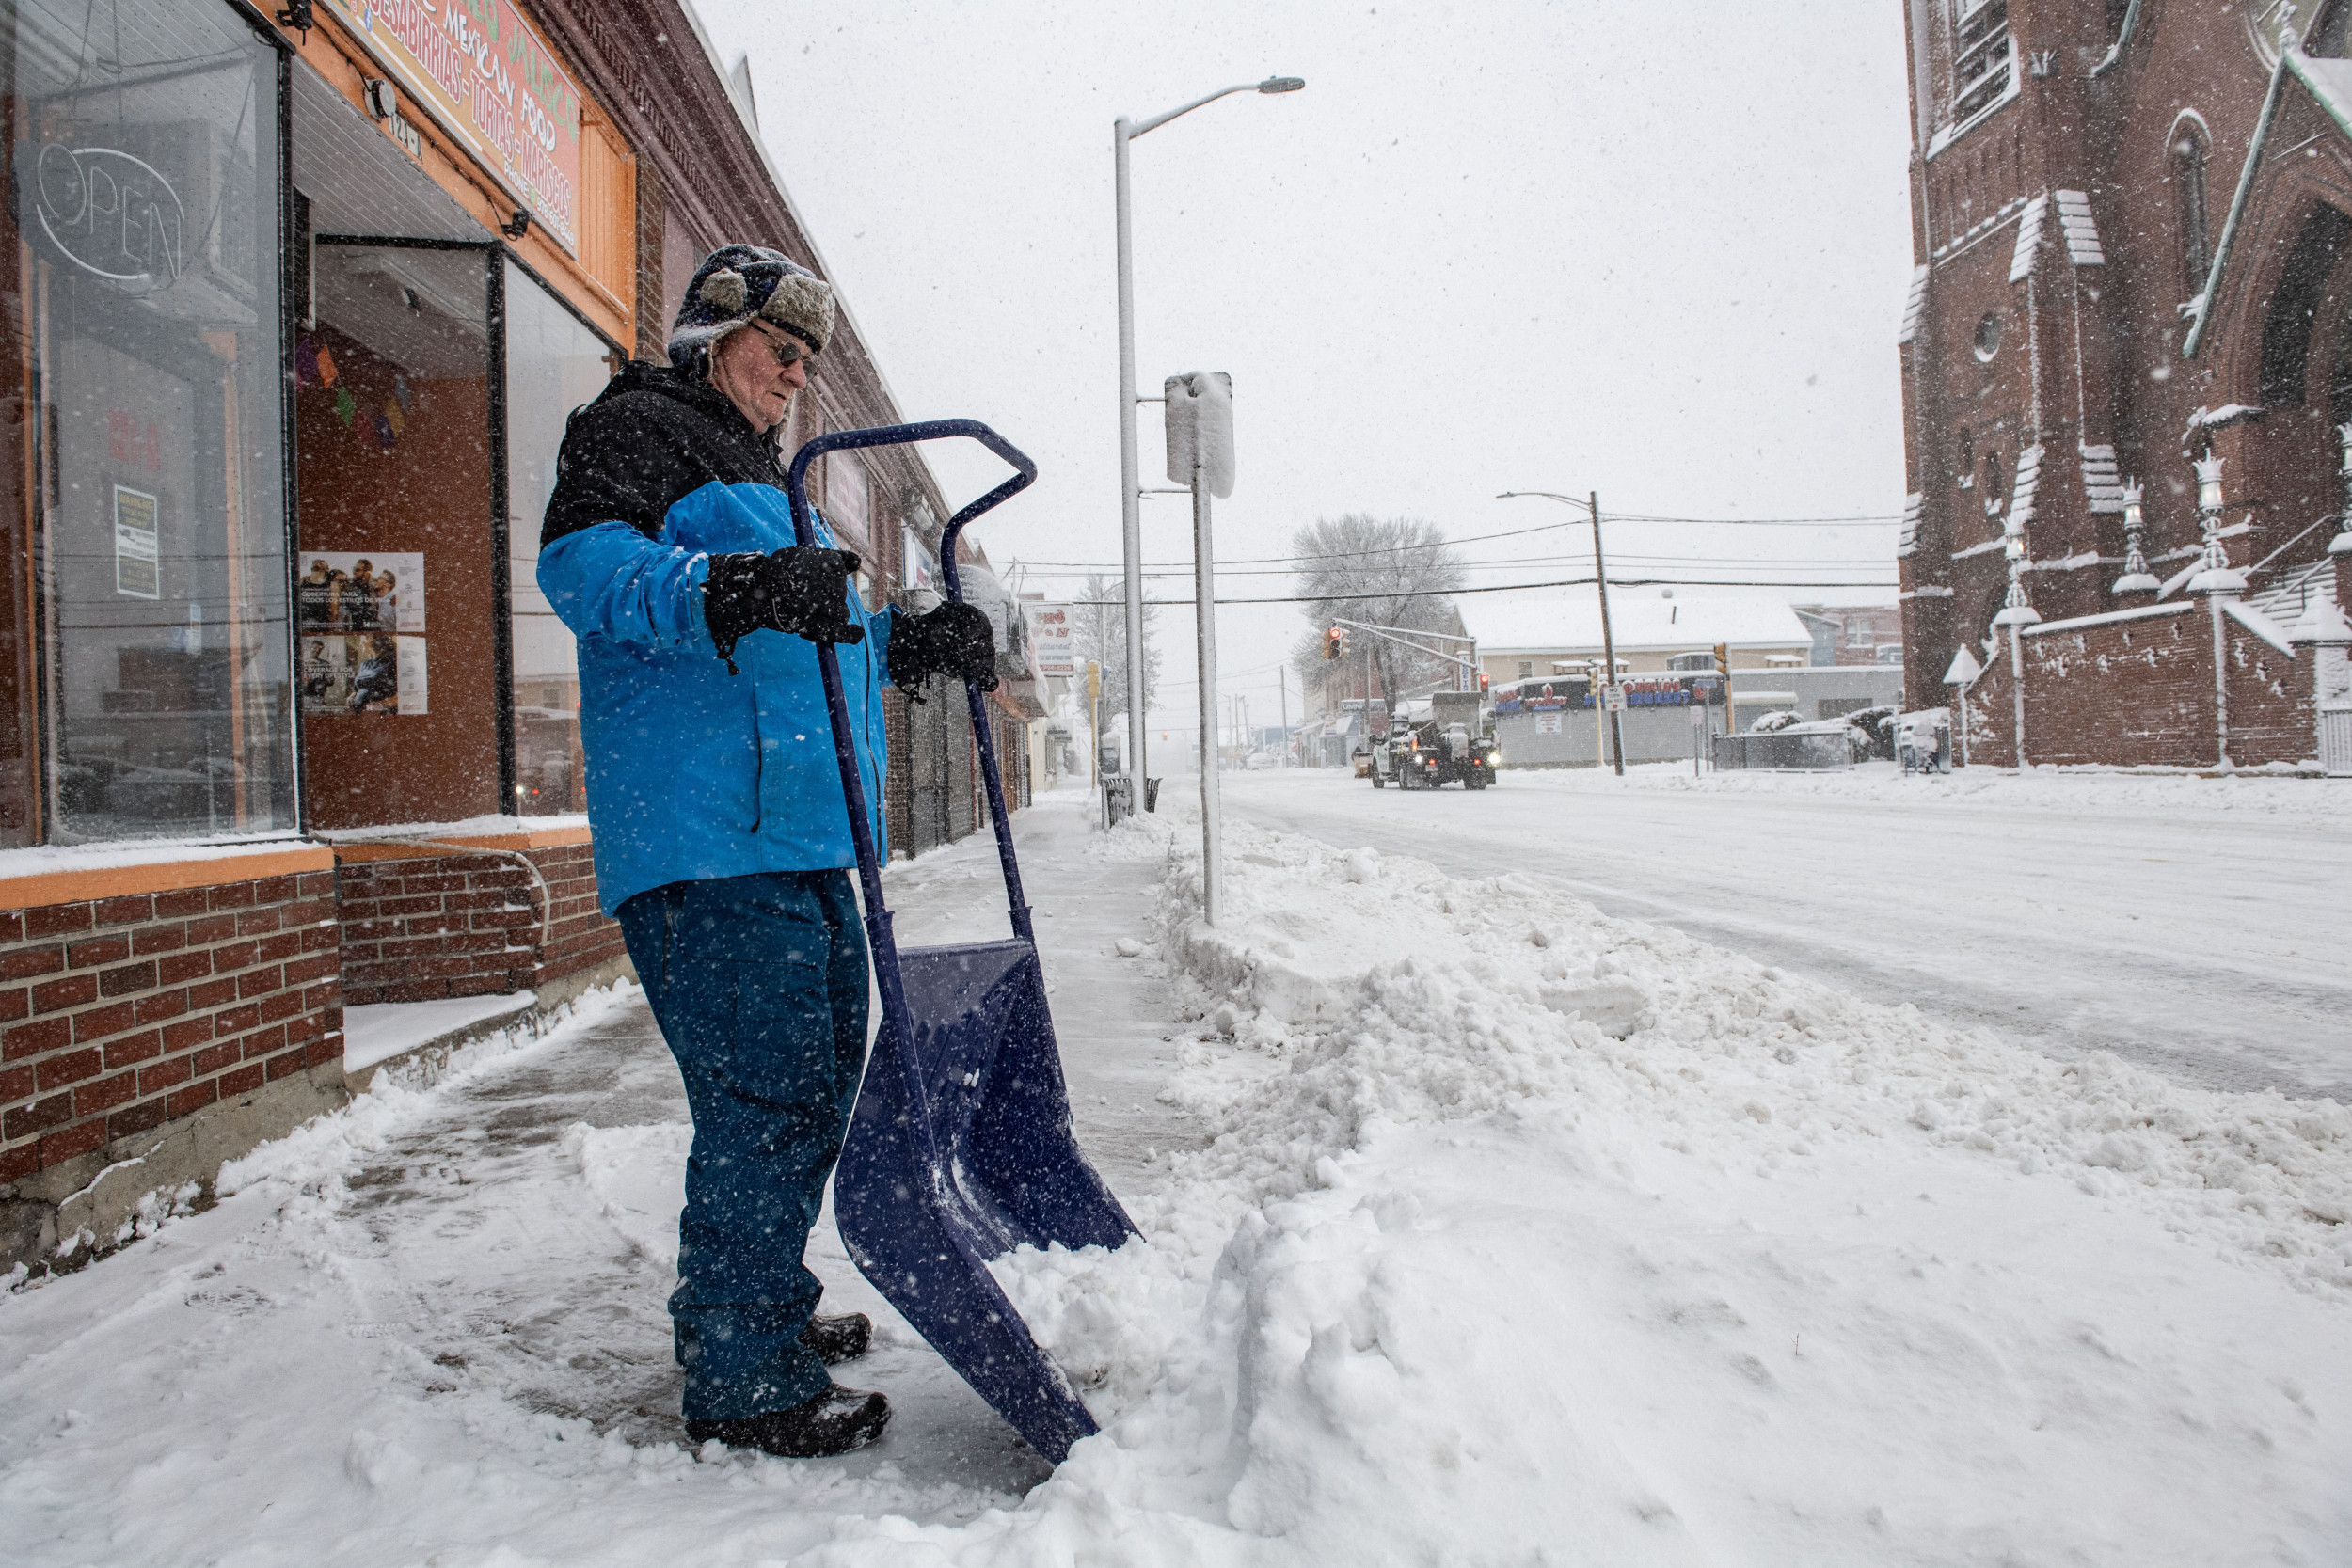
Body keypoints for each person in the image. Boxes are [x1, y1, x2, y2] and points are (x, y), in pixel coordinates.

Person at [536, 245, 997, 1460]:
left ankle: (751, 1308)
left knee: (810, 1077)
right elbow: (582, 571)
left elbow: (817, 631)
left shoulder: (772, 477)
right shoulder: (641, 424)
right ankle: (743, 1371)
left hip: (796, 834)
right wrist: (732, 587)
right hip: (707, 838)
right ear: (707, 338)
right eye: (775, 350)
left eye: (804, 361)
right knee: (772, 1091)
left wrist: (909, 639)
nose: (792, 375)